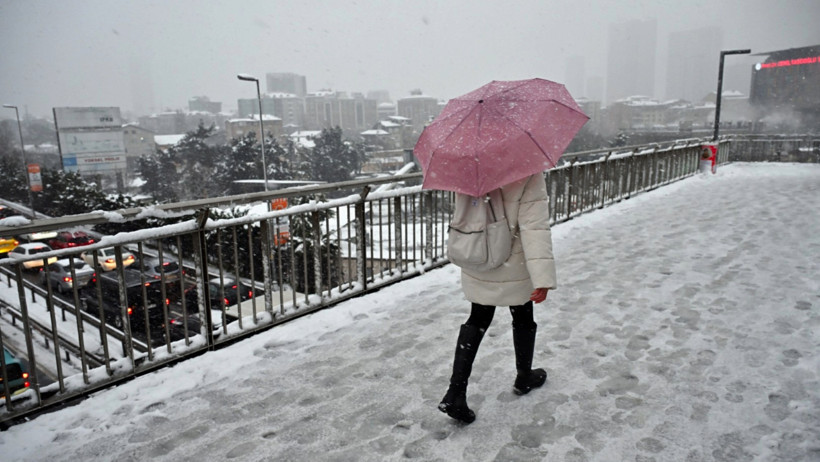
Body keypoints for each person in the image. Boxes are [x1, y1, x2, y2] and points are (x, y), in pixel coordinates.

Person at [439, 172, 557, 424]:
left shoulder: (473, 166)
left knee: (477, 318)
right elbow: (534, 228)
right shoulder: (527, 172)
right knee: (523, 315)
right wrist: (543, 278)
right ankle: (524, 376)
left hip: (479, 253)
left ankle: (456, 391)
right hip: (513, 260)